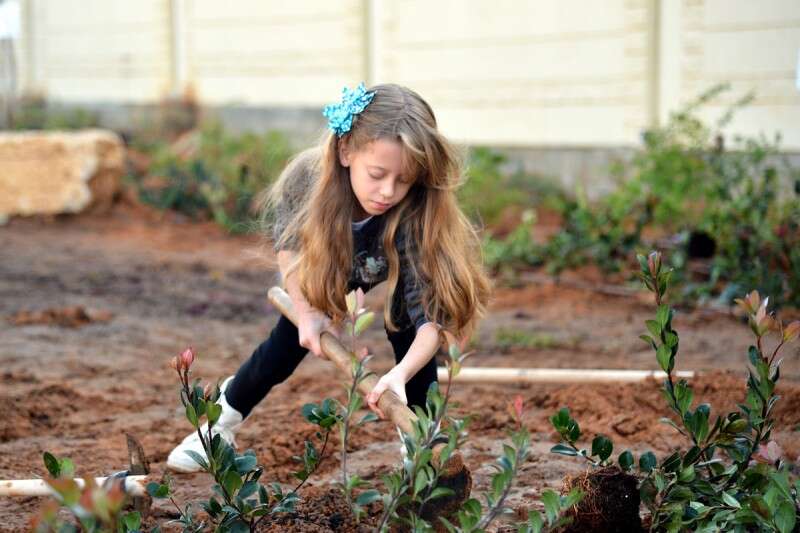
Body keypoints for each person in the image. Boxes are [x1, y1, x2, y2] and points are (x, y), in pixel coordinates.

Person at [167, 83, 491, 472]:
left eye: (404, 179)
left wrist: (399, 374)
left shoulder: (417, 211)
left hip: (391, 261)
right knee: (284, 347)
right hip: (329, 263)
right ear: (346, 150)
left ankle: (421, 444)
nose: (388, 192)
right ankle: (220, 422)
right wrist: (307, 314)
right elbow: (289, 249)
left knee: (407, 327)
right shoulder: (307, 179)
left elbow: (430, 318)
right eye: (377, 174)